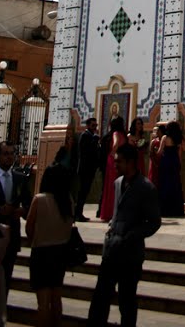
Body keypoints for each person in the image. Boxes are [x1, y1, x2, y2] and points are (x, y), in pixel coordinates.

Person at [87, 142, 161, 327]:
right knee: (101, 296)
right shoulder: (118, 183)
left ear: (130, 162)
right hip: (111, 250)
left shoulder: (146, 188)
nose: (115, 165)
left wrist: (133, 234)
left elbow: (154, 222)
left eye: (119, 162)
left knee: (127, 300)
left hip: (130, 254)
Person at [26, 162, 74, 327]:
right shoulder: (68, 201)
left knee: (43, 303)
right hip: (60, 253)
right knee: (56, 299)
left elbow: (28, 229)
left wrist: (37, 239)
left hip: (41, 253)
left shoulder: (39, 200)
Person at [0, 141, 32, 296]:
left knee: (6, 276)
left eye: (12, 154)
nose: (9, 157)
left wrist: (23, 210)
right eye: (5, 154)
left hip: (12, 236)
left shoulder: (20, 178)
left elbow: (28, 203)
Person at [100, 117, 127, 222]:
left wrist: (111, 153)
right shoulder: (124, 135)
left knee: (111, 186)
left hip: (113, 161)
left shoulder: (115, 133)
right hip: (122, 160)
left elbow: (115, 144)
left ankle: (109, 212)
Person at [157, 122, 185, 217]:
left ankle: (165, 209)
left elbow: (160, 152)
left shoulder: (165, 137)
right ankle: (176, 210)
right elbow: (182, 150)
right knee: (175, 184)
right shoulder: (178, 139)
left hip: (166, 161)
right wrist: (179, 163)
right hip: (174, 161)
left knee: (165, 184)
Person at [75, 117, 100, 221]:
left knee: (85, 192)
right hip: (85, 168)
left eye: (96, 125)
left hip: (89, 168)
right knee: (82, 192)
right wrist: (95, 139)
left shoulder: (90, 136)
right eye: (93, 125)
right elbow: (86, 151)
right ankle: (78, 213)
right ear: (88, 125)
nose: (95, 128)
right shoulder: (85, 136)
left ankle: (79, 213)